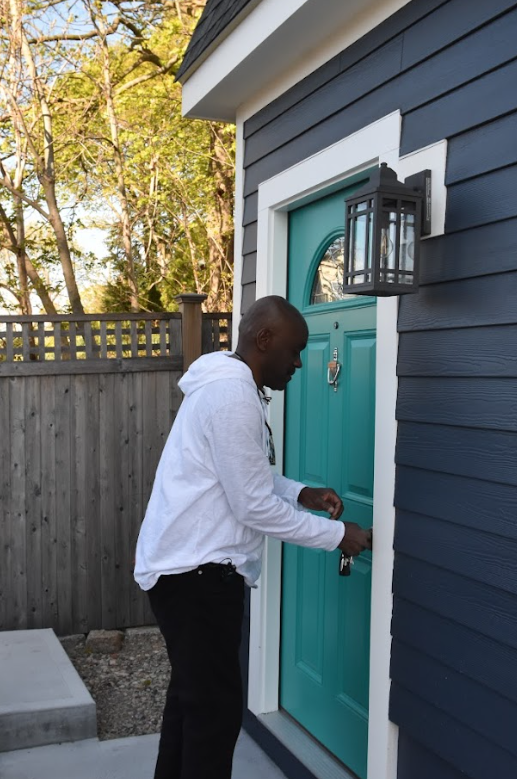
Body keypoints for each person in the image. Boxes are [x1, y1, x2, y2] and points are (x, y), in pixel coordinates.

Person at [134, 295, 372, 779]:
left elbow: (247, 479)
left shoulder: (230, 385)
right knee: (214, 718)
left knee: (191, 705)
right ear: (264, 340)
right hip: (196, 576)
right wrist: (336, 536)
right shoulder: (230, 397)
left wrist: (302, 492)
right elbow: (253, 505)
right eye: (295, 350)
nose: (299, 363)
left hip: (189, 572)